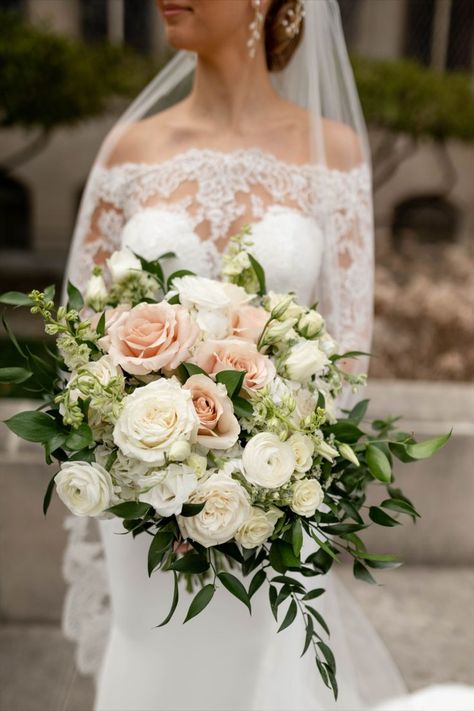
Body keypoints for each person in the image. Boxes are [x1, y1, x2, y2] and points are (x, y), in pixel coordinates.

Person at [60, 2, 474, 710]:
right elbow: (81, 341)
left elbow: (345, 357)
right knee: (152, 667)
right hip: (142, 496)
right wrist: (143, 453)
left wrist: (268, 477)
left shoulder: (333, 155)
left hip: (267, 499)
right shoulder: (131, 150)